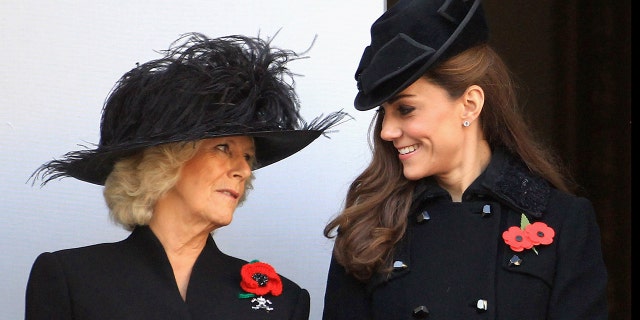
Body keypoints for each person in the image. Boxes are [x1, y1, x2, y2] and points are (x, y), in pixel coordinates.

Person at [25, 32, 348, 320]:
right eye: (223, 148)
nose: (244, 169)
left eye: (248, 156)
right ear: (163, 162)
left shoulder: (283, 301)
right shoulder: (72, 279)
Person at [322, 0, 609, 319]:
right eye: (383, 114)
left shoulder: (563, 221)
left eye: (405, 109)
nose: (387, 131)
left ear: (470, 105)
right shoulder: (366, 229)